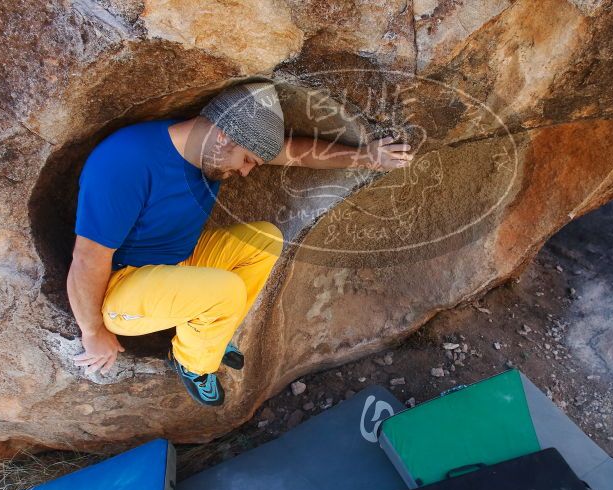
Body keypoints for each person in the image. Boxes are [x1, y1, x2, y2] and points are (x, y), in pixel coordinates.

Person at [66, 81, 413, 406]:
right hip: (122, 288)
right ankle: (193, 362)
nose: (247, 172)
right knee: (226, 290)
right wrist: (92, 331)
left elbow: (294, 152)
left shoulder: (209, 148)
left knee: (265, 240)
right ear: (222, 136)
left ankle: (208, 337)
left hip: (174, 262)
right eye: (247, 160)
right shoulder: (125, 162)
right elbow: (87, 258)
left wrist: (367, 156)